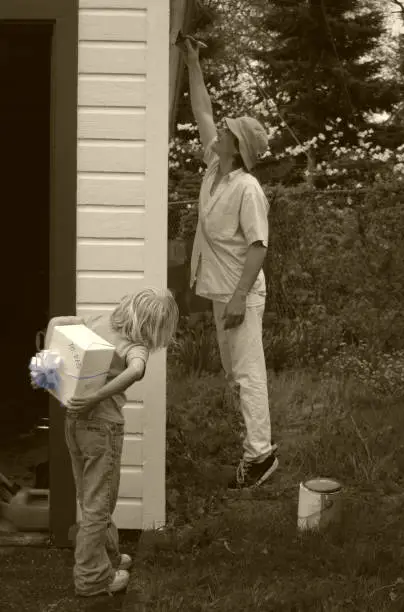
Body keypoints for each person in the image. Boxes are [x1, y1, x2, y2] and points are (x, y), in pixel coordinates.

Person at [182, 37, 279, 489]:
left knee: (247, 371)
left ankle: (260, 457)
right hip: (223, 292)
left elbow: (258, 246)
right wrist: (193, 61)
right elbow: (202, 112)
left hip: (240, 295)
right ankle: (252, 449)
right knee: (235, 374)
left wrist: (240, 296)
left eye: (225, 132)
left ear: (236, 148)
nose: (216, 131)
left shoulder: (247, 188)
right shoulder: (212, 169)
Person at [44, 288, 178, 597]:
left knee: (92, 498)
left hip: (75, 425)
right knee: (99, 504)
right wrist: (97, 396)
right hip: (102, 430)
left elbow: (57, 321)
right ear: (155, 326)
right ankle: (93, 578)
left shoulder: (99, 320)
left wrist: (49, 362)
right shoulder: (136, 345)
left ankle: (111, 558)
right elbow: (136, 370)